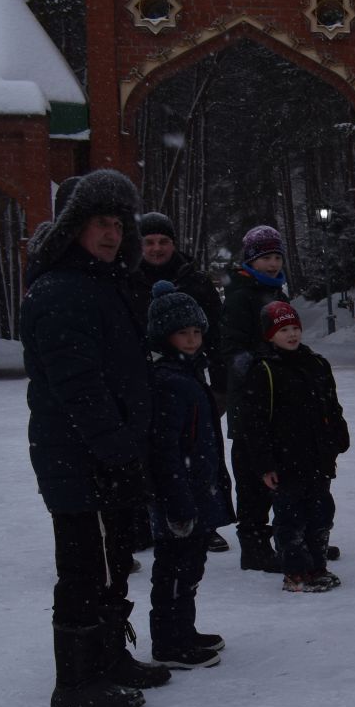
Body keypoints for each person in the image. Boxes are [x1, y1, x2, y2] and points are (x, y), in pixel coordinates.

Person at [20, 169, 173, 707]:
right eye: (98, 223)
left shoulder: (100, 284)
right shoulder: (61, 290)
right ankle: (76, 681)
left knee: (112, 558)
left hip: (104, 452)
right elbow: (79, 386)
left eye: (116, 223)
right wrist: (115, 449)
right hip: (78, 455)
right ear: (72, 228)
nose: (111, 234)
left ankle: (109, 658)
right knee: (83, 565)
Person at [230, 302, 351, 593]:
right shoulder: (265, 371)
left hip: (318, 459)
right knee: (291, 519)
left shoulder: (316, 364)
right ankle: (296, 573)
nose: (292, 334)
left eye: (295, 328)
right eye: (284, 329)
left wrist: (338, 438)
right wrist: (265, 465)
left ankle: (316, 565)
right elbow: (254, 425)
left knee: (320, 514)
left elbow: (331, 406)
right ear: (270, 335)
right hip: (285, 463)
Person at [144, 282, 233, 667]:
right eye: (183, 333)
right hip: (178, 497)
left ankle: (184, 630)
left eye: (197, 332)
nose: (192, 339)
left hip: (194, 490)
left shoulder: (191, 374)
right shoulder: (168, 382)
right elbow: (165, 451)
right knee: (174, 572)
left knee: (190, 568)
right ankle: (169, 642)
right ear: (166, 336)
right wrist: (178, 502)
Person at [135, 211, 231, 552]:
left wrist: (220, 385)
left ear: (174, 244)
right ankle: (149, 520)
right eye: (149, 242)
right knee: (156, 454)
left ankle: (206, 520)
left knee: (200, 452)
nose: (156, 248)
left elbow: (216, 335)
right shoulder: (128, 279)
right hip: (142, 379)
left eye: (163, 241)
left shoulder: (194, 279)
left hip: (191, 377)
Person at [218, 224, 291, 570]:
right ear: (250, 261)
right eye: (265, 258)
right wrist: (264, 363)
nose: (273, 264)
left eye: (276, 256)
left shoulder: (276, 293)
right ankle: (254, 543)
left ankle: (289, 534)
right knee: (252, 473)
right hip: (251, 400)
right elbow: (233, 349)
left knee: (282, 467)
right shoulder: (241, 296)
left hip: (278, 399)